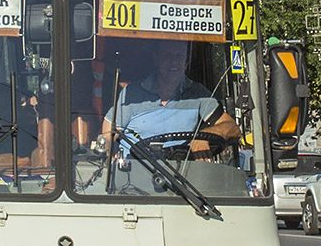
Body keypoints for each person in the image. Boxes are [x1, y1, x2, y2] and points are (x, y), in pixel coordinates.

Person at [99, 39, 240, 159]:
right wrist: (109, 155)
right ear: (156, 59)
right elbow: (108, 134)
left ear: (185, 62)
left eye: (179, 57)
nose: (174, 62)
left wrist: (204, 136)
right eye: (168, 56)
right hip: (133, 177)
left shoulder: (198, 94)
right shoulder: (132, 94)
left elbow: (232, 128)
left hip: (180, 178)